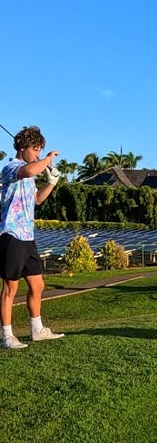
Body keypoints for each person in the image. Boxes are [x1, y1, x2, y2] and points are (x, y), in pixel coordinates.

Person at [1, 126, 65, 349]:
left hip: (28, 236)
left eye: (40, 150)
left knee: (37, 285)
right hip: (11, 234)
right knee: (10, 288)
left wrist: (51, 183)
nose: (38, 154)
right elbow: (28, 171)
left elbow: (37, 199)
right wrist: (47, 160)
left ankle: (37, 330)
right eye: (35, 149)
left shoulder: (30, 173)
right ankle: (7, 336)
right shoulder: (12, 168)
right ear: (22, 147)